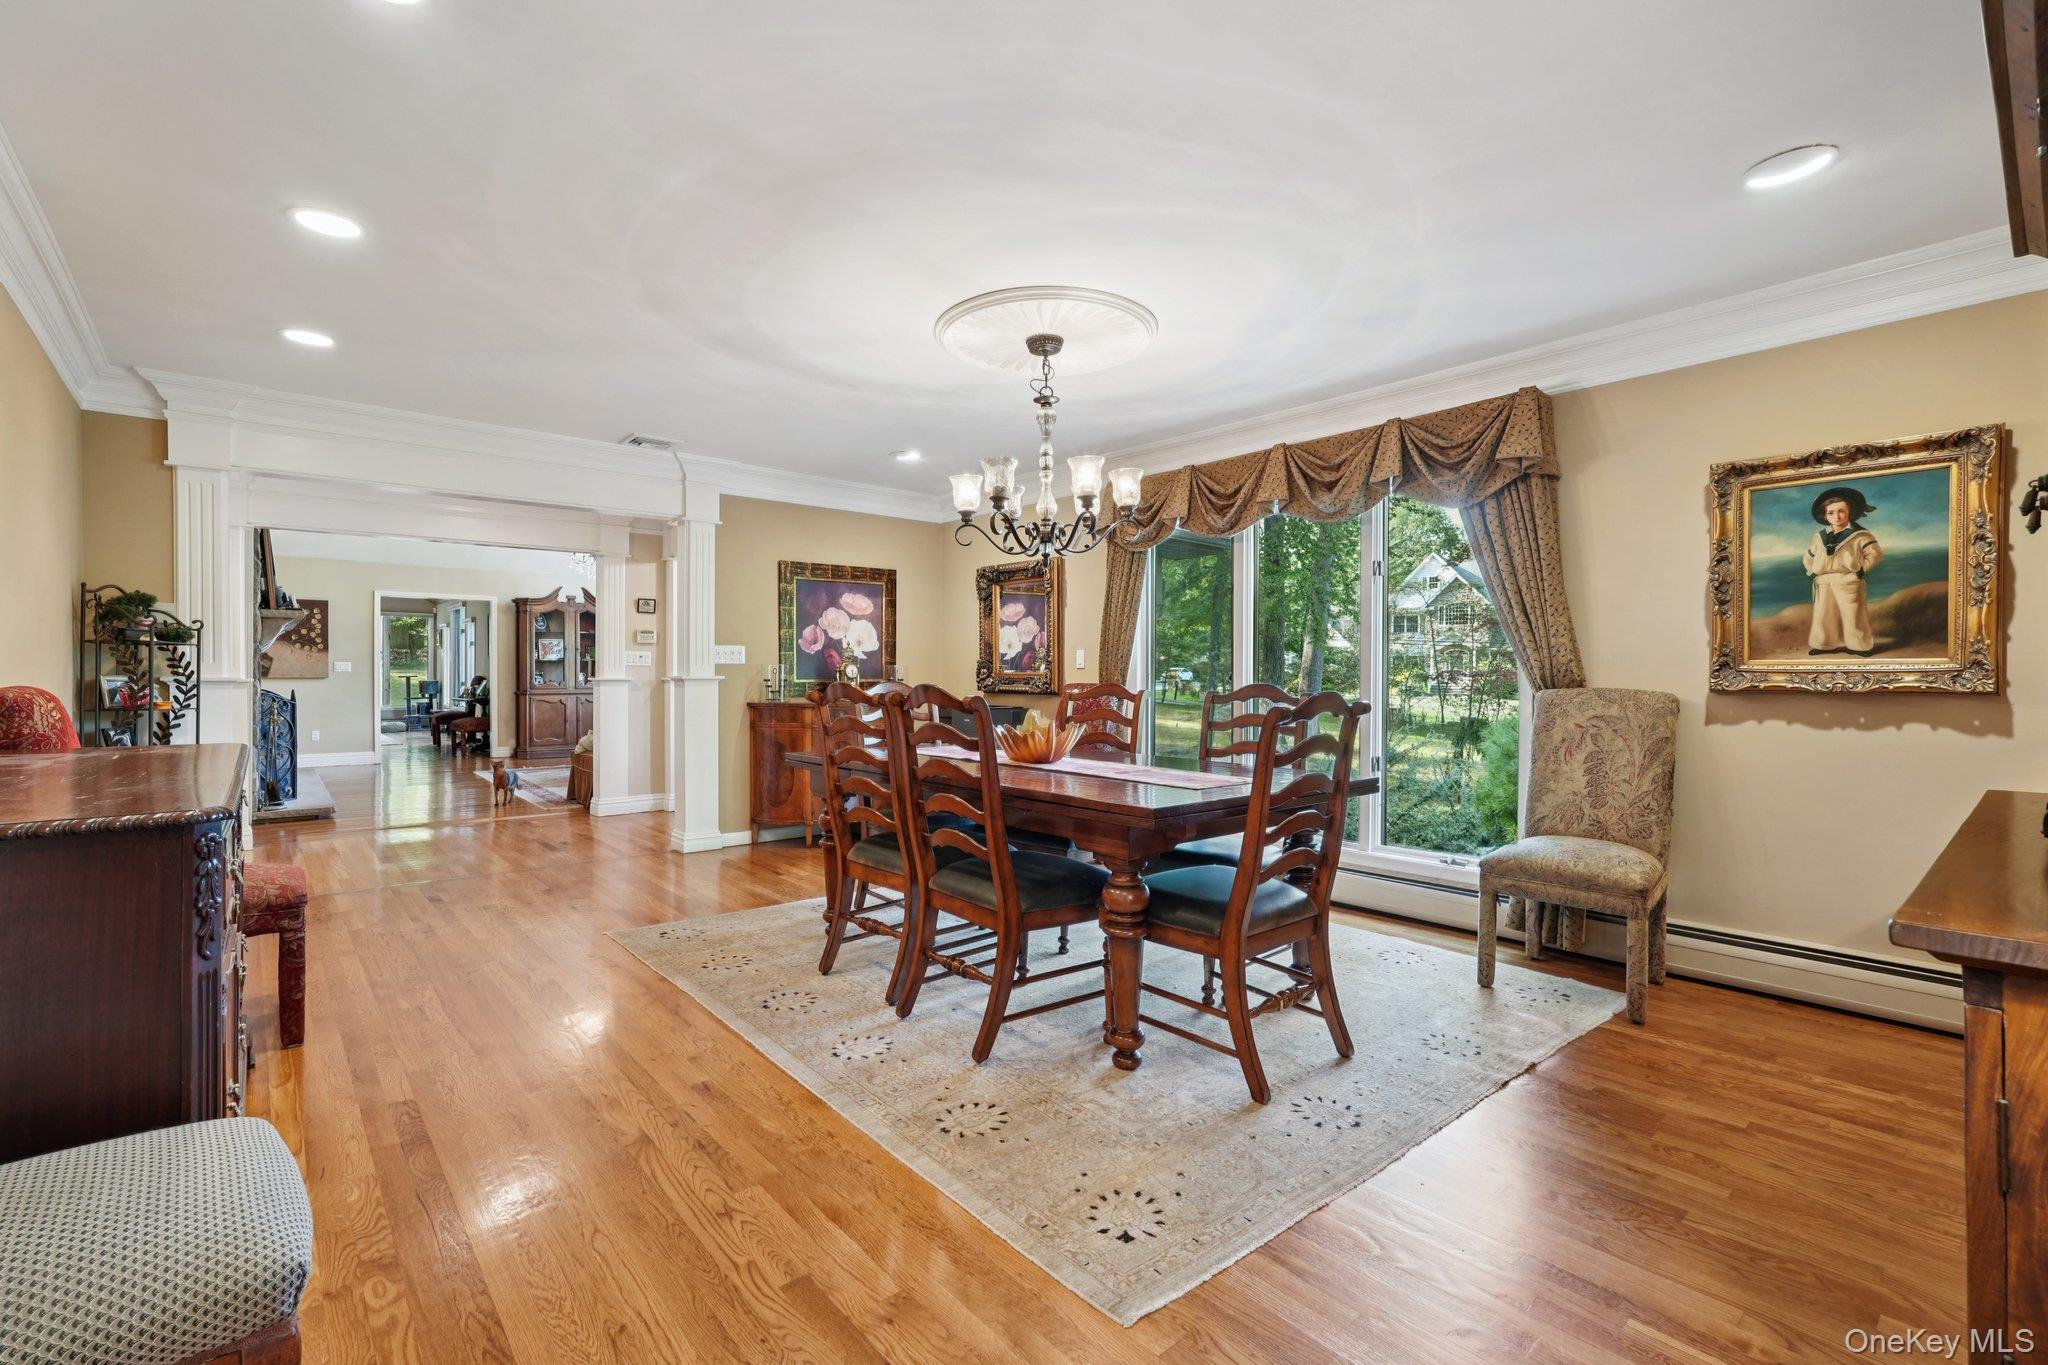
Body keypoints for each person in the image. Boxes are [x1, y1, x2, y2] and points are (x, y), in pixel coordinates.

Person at [1802, 486, 1883, 656]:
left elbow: (1875, 555)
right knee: (1823, 614)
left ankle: (1859, 646)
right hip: (1824, 581)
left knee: (1853, 614)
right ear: (1825, 515)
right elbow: (1808, 556)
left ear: (1849, 513)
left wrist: (1860, 571)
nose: (1836, 516)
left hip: (1848, 579)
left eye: (1841, 511)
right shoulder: (1819, 536)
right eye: (1831, 512)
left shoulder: (1861, 535)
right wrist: (1813, 571)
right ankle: (1824, 644)